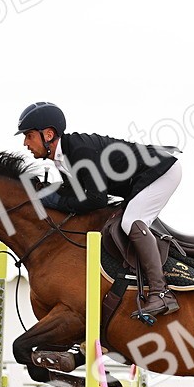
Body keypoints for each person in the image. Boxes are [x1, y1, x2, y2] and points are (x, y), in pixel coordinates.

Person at [15, 101, 181, 317]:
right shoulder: (62, 158)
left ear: (48, 134)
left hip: (162, 171)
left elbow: (96, 199)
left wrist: (56, 201)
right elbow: (76, 194)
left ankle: (160, 293)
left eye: (28, 135)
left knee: (131, 221)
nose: (26, 143)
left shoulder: (80, 151)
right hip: (142, 177)